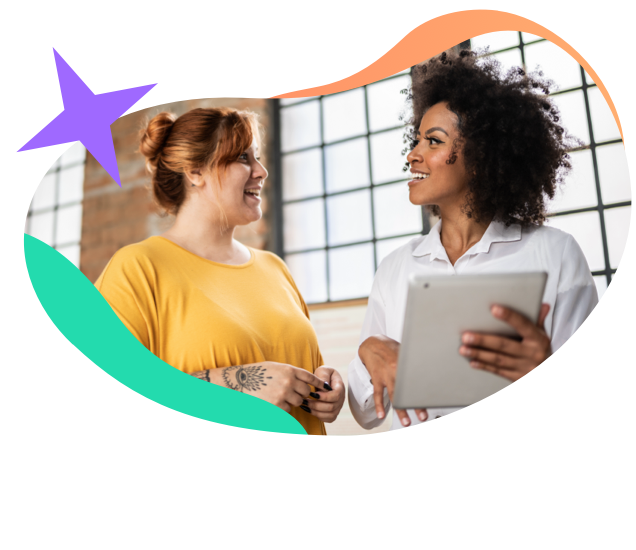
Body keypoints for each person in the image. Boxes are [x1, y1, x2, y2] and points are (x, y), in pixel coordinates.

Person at [347, 49, 599, 431]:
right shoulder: (396, 268)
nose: (413, 155)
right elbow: (365, 411)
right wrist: (370, 352)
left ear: (480, 157)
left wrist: (547, 371)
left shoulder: (555, 254)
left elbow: (596, 405)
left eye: (433, 141)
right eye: (417, 140)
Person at [94, 106, 345, 436]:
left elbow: (290, 378)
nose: (261, 171)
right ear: (196, 171)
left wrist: (323, 388)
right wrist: (240, 383)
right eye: (243, 157)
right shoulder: (137, 269)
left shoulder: (275, 269)